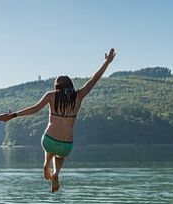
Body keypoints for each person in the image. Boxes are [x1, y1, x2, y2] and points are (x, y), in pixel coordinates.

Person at [7, 48, 116, 192]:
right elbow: (94, 79)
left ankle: (46, 163)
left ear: (57, 86)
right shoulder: (79, 96)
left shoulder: (51, 96)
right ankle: (56, 173)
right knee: (60, 155)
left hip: (49, 139)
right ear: (70, 85)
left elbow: (34, 109)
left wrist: (14, 114)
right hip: (66, 144)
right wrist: (107, 62)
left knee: (49, 148)